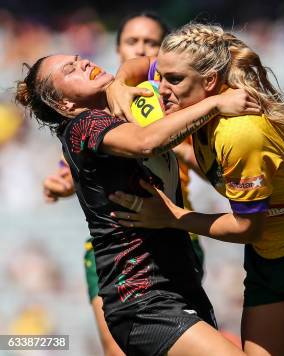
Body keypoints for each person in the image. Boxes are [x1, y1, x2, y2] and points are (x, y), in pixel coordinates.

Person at [107, 23, 284, 356]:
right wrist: (118, 83)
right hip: (268, 253)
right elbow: (142, 66)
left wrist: (173, 217)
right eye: (161, 76)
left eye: (173, 80)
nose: (159, 89)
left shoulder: (239, 133)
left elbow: (247, 226)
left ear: (209, 81)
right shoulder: (189, 100)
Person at [16, 53, 259, 355]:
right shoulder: (82, 125)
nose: (84, 64)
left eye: (79, 59)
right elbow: (146, 142)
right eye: (71, 69)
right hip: (140, 296)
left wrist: (120, 81)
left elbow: (151, 60)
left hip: (178, 283)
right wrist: (215, 104)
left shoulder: (130, 102)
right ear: (63, 104)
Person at [39, 13, 206, 356]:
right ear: (118, 48)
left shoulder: (167, 95)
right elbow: (83, 171)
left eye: (150, 42)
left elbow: (212, 169)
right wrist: (61, 185)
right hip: (130, 257)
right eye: (132, 41)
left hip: (179, 230)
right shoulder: (92, 118)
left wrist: (172, 140)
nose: (141, 48)